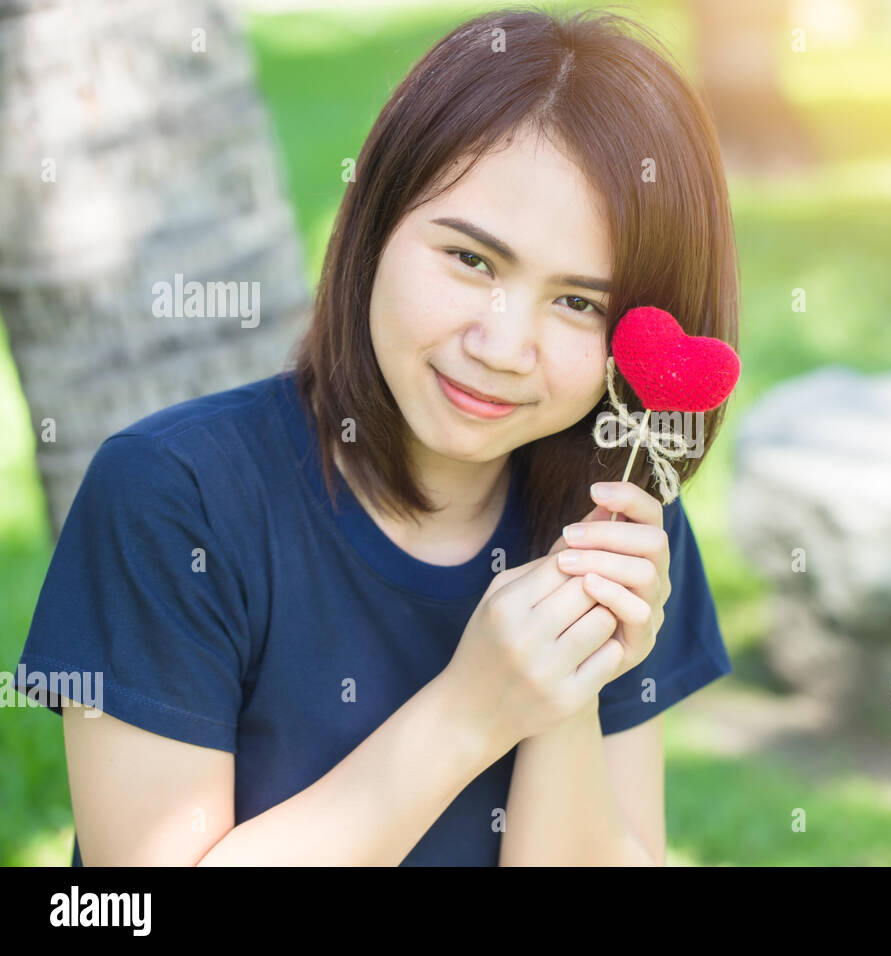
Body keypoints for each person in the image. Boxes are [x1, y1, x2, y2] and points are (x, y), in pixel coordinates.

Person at [14, 5, 740, 866]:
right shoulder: (175, 499)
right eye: (471, 260)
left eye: (579, 302)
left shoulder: (617, 523)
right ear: (375, 222)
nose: (503, 348)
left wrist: (567, 683)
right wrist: (472, 711)